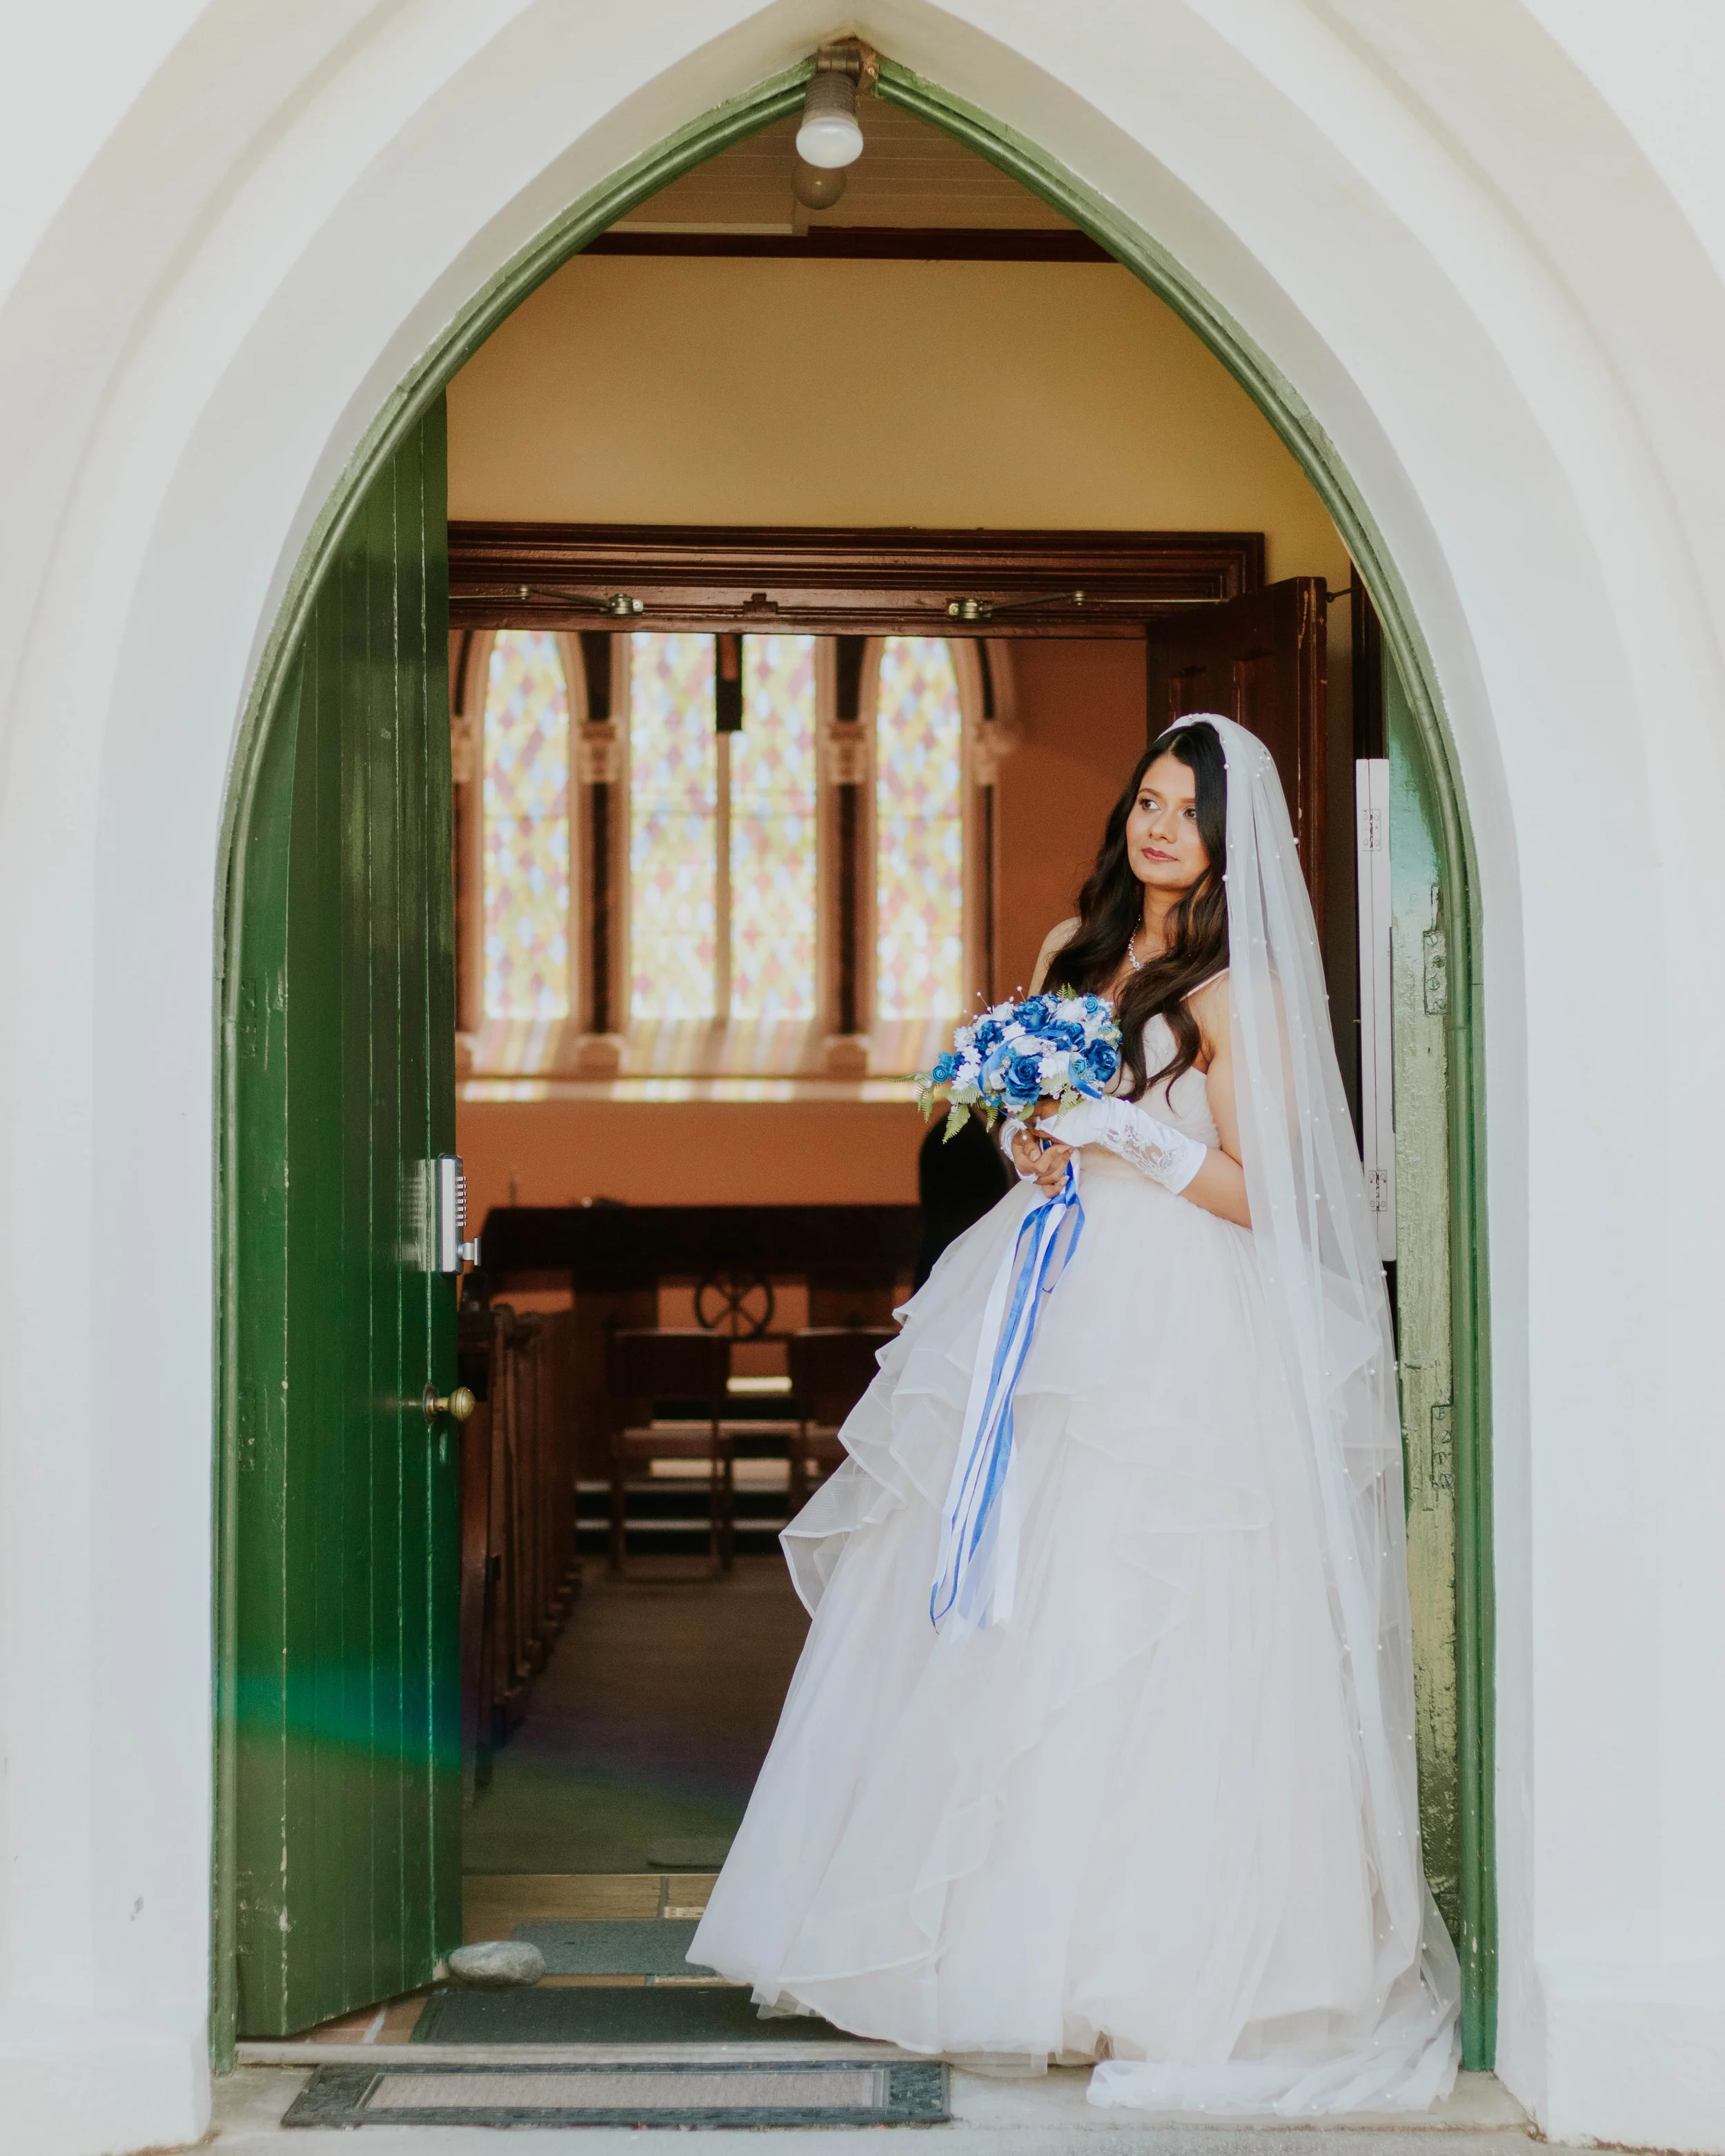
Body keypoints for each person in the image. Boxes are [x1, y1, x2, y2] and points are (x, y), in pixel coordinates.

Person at [691, 716, 1460, 2113]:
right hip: (1051, 1283)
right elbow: (1043, 1125)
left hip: (1176, 1325)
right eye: (1148, 801)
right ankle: (985, 1936)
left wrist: (1124, 1132)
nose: (1160, 827)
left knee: (1136, 1603)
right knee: (1005, 1600)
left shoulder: (1237, 989)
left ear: (1235, 842)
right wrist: (1035, 1136)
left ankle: (1138, 1954)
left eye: (1187, 810)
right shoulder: (1080, 954)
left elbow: (1261, 1191)